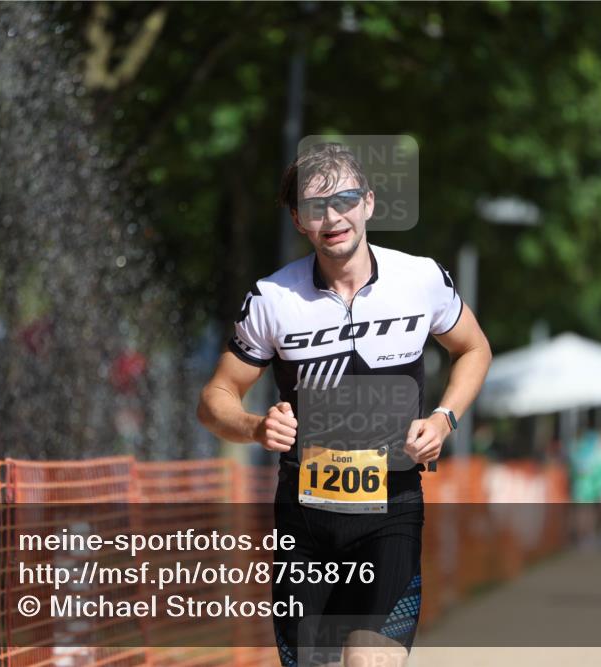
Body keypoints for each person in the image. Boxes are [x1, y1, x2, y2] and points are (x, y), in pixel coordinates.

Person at [197, 143, 492, 666]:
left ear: (369, 204)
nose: (333, 217)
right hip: (305, 523)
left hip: (391, 511)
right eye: (315, 207)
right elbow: (215, 398)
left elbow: (474, 348)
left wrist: (444, 419)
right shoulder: (272, 298)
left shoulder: (420, 279)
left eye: (344, 200)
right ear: (298, 220)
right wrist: (254, 425)